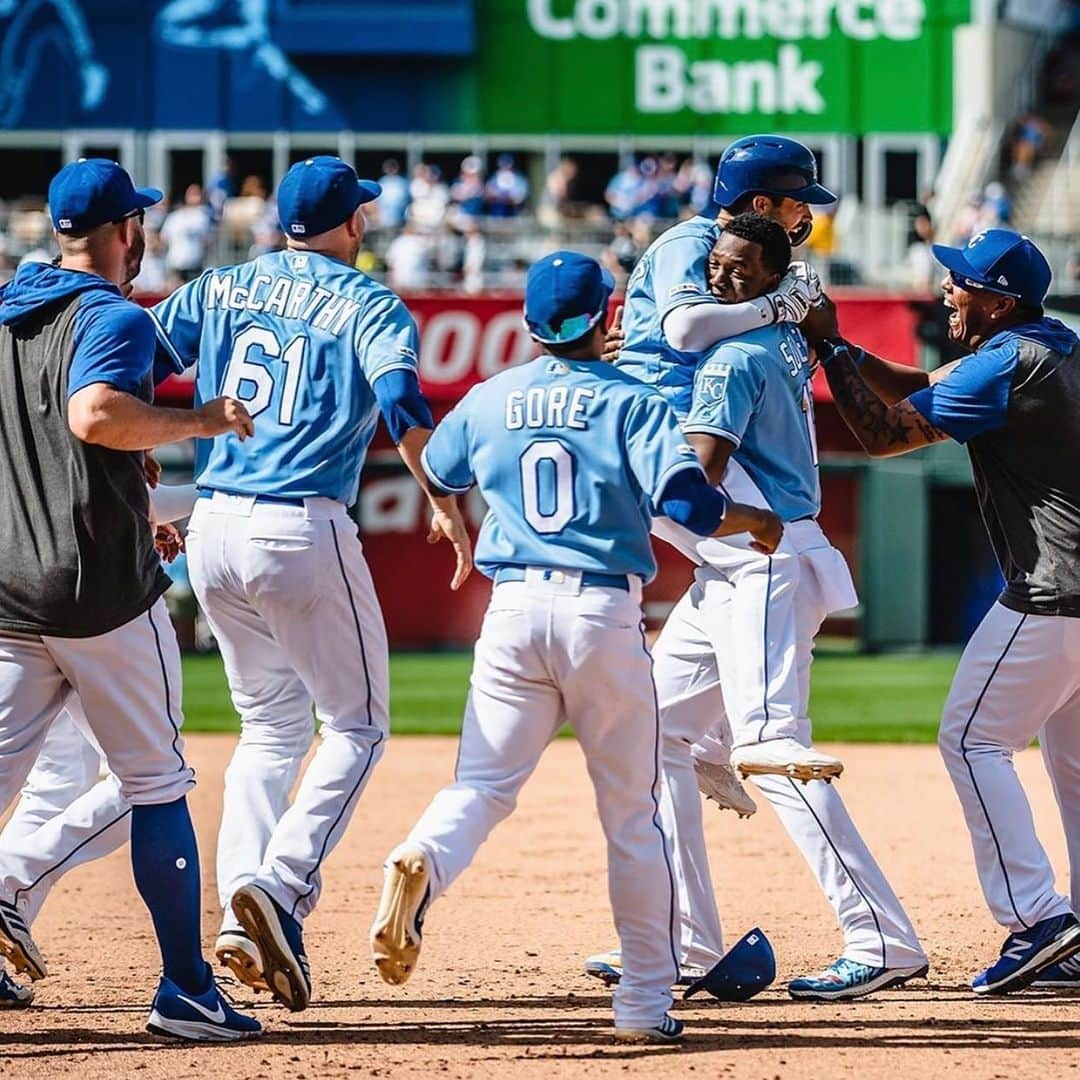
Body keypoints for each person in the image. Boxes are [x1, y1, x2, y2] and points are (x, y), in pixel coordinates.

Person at [369, 250, 782, 1044]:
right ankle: (643, 1006)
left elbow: (438, 461)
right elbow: (691, 504)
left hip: (512, 611)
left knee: (482, 788)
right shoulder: (633, 400)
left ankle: (423, 856)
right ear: (608, 318)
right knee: (634, 815)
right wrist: (755, 521)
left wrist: (445, 507)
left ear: (528, 323)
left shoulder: (491, 397)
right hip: (599, 613)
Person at [151, 156, 472, 1013]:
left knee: (268, 729)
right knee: (358, 724)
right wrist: (442, 503)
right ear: (354, 222)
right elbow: (404, 405)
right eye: (363, 210)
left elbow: (135, 362)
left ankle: (237, 918)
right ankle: (282, 885)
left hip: (213, 524)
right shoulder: (369, 301)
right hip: (300, 522)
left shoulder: (222, 285)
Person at [594, 211, 929, 1002]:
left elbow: (695, 489)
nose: (725, 276)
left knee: (772, 751)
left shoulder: (734, 355)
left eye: (746, 268)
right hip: (741, 569)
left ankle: (881, 938)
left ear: (775, 277)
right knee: (657, 735)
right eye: (720, 262)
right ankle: (686, 942)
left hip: (763, 560)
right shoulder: (774, 336)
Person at [0, 158, 259, 1040]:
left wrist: (123, 483)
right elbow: (94, 415)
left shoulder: (6, 310)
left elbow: (55, 440)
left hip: (9, 590)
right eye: (136, 221)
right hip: (100, 593)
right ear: (123, 233)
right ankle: (187, 989)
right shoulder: (113, 312)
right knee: (156, 783)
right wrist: (199, 421)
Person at [816, 228, 1080, 994]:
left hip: (1052, 592)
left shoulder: (1006, 363)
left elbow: (881, 434)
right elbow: (924, 380)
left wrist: (830, 350)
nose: (947, 290)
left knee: (970, 739)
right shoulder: (1051, 343)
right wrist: (841, 346)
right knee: (1071, 767)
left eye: (961, 282)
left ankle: (1038, 921)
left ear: (998, 301)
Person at [0, 483, 199, 1008]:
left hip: (17, 579)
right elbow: (89, 453)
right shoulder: (74, 397)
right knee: (154, 782)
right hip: (77, 593)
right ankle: (8, 879)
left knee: (58, 778)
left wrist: (139, 517)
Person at [160, 183, 213, 283]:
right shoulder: (174, 217)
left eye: (197, 194)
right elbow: (164, 239)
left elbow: (208, 241)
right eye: (192, 194)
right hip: (175, 265)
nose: (196, 198)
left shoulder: (205, 217)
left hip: (195, 266)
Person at [484, 153, 528, 218]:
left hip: (513, 211)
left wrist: (507, 199)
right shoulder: (494, 178)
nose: (505, 167)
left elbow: (520, 198)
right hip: (497, 211)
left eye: (508, 164)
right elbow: (487, 195)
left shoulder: (519, 179)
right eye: (503, 165)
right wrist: (496, 197)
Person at [375, 158, 410, 229]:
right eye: (388, 168)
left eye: (392, 168)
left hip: (400, 220)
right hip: (383, 220)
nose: (390, 170)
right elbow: (377, 202)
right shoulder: (382, 182)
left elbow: (406, 201)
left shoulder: (402, 183)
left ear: (396, 169)